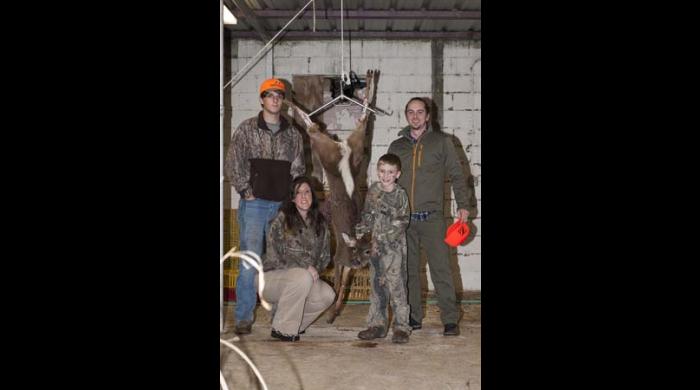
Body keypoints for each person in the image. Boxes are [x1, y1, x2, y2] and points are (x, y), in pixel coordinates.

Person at [224, 78, 306, 335]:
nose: (274, 99)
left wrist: (290, 201)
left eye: (279, 96)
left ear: (283, 101)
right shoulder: (247, 129)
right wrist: (245, 191)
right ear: (261, 99)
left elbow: (299, 168)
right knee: (250, 260)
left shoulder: (293, 134)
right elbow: (232, 162)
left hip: (281, 207)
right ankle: (244, 316)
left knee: (280, 261)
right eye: (269, 95)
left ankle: (279, 318)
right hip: (255, 205)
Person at [387, 97, 470, 336]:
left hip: (433, 219)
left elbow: (456, 174)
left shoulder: (442, 142)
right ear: (406, 116)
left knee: (441, 269)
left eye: (420, 112)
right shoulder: (397, 146)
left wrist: (463, 205)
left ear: (427, 116)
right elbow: (388, 180)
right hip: (405, 220)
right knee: (409, 271)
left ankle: (450, 319)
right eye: (411, 112)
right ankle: (414, 316)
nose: (415, 116)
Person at [261, 176, 335, 342]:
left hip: (302, 279)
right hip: (270, 279)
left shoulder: (321, 223)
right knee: (303, 277)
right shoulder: (281, 219)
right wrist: (305, 267)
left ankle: (296, 325)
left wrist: (315, 269)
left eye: (307, 192)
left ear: (313, 195)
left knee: (327, 294)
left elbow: (324, 257)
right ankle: (282, 329)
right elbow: (274, 256)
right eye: (298, 193)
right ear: (292, 198)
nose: (303, 196)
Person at [354, 153, 412, 344]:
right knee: (377, 286)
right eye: (382, 171)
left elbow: (402, 221)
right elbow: (367, 215)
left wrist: (382, 236)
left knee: (396, 287)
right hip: (375, 251)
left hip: (394, 251)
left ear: (398, 173)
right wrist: (362, 230)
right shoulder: (373, 191)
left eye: (390, 172)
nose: (385, 176)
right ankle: (377, 325)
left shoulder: (400, 195)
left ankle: (401, 327)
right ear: (377, 171)